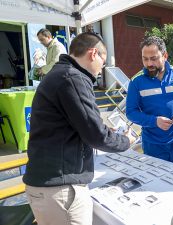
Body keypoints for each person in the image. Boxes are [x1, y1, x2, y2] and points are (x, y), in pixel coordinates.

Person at [23, 32, 135, 225]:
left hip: (50, 183)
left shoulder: (61, 74)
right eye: (103, 61)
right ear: (93, 54)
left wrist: (99, 127)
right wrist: (126, 141)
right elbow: (96, 136)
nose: (102, 69)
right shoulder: (72, 78)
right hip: (60, 187)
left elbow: (75, 124)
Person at [126, 36, 173, 168]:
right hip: (153, 144)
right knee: (157, 182)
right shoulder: (136, 81)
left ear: (164, 56)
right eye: (145, 59)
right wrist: (155, 121)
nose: (149, 64)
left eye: (154, 58)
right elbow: (131, 113)